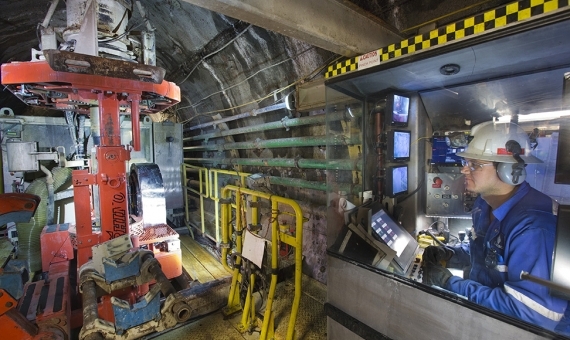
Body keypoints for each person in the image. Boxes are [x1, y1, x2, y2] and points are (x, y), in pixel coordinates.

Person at [422, 121, 569, 332]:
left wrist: (449, 283)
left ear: (509, 170)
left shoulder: (532, 228)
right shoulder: (484, 204)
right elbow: (490, 256)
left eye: (474, 164)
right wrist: (452, 254)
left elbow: (531, 313)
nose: (464, 169)